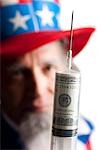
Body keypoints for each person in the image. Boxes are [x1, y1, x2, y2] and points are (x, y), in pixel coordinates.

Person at [0, 0, 95, 150]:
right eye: (18, 73)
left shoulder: (86, 134)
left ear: (66, 65)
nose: (38, 90)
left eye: (49, 67)